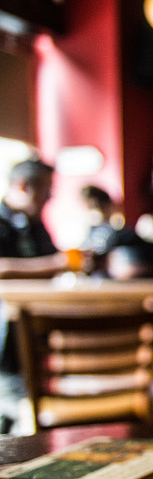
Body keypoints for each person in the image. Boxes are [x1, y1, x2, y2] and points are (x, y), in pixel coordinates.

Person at [0, 159, 74, 434]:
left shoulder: (34, 224)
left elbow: (53, 261)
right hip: (6, 340)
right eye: (45, 189)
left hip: (34, 337)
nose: (49, 197)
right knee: (16, 413)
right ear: (22, 186)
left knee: (30, 409)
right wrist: (56, 264)